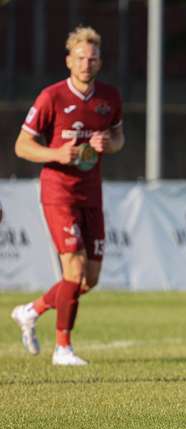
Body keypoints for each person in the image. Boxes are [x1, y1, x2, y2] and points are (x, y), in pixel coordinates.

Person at [10, 26, 125, 366]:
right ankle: (63, 348)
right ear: (68, 61)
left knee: (88, 280)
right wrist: (57, 154)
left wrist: (109, 144)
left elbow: (118, 138)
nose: (86, 64)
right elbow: (22, 146)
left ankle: (31, 311)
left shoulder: (109, 98)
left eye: (92, 58)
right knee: (72, 270)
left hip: (91, 194)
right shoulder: (52, 97)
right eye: (80, 58)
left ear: (100, 62)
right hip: (58, 192)